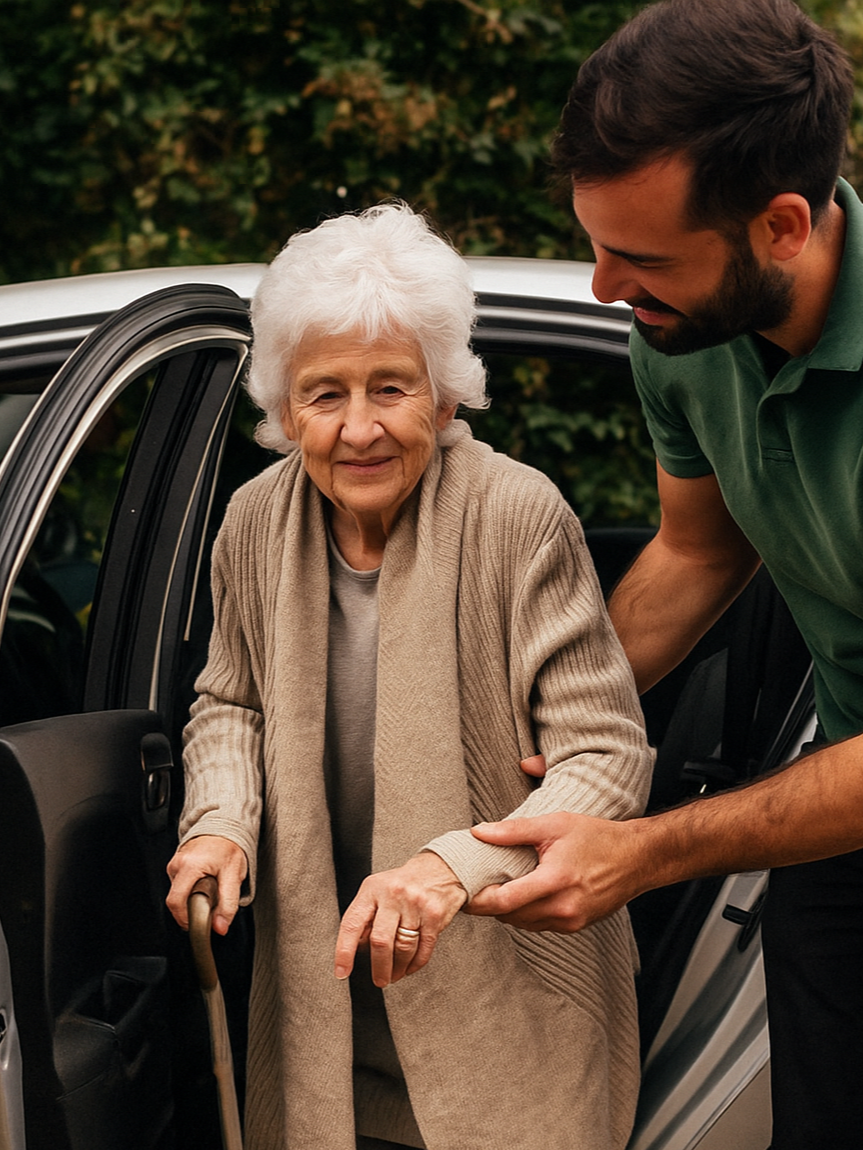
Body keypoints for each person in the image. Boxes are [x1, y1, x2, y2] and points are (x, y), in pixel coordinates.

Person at [165, 203, 654, 1150]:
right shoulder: (253, 525)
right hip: (325, 1019)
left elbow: (604, 757)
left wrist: (446, 872)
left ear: (442, 395)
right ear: (280, 409)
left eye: (390, 388)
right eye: (324, 394)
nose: (358, 430)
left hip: (504, 1010)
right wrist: (220, 825)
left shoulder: (518, 515)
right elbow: (230, 701)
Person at [467, 0, 863, 1145]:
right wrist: (519, 723)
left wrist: (638, 850)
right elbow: (698, 548)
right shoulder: (677, 340)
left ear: (780, 226)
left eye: (637, 259)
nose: (601, 288)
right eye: (593, 244)